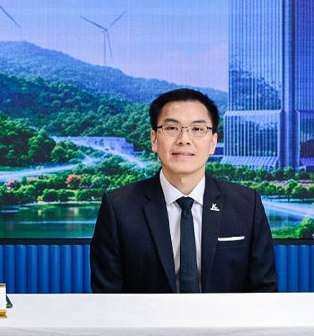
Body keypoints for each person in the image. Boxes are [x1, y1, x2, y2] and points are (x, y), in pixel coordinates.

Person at [90, 88, 277, 293]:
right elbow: (107, 297)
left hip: (224, 315)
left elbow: (264, 292)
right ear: (154, 139)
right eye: (172, 128)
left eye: (197, 129)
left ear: (213, 142)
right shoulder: (118, 207)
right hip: (147, 315)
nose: (184, 139)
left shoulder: (247, 205)